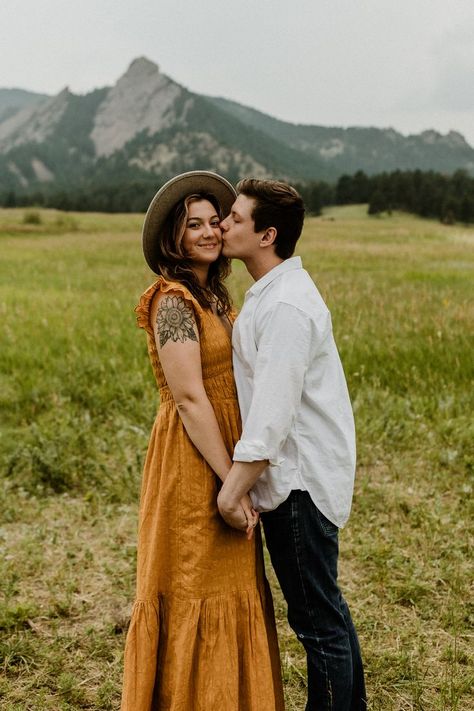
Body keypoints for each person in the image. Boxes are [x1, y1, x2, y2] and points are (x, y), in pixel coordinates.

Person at [121, 171, 284, 711]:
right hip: (195, 461)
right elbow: (190, 399)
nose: (211, 232)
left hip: (226, 457)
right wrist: (229, 483)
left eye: (216, 221)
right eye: (195, 225)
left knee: (230, 583)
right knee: (192, 580)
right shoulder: (172, 301)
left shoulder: (212, 295)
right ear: (175, 238)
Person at [217, 179, 367, 710]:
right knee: (327, 612)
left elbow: (272, 419)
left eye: (235, 218)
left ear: (267, 235)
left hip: (297, 485)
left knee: (316, 624)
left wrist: (230, 492)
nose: (222, 225)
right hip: (297, 480)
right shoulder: (273, 296)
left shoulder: (285, 307)